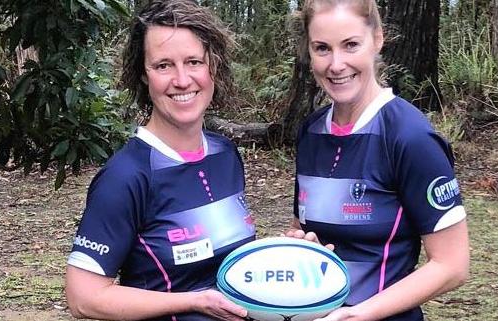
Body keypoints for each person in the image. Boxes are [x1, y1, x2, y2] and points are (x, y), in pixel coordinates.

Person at [65, 1, 255, 320]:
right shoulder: (126, 176)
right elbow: (83, 297)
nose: (182, 80)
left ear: (214, 67)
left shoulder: (226, 155)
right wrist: (193, 301)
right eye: (164, 65)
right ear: (143, 75)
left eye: (194, 61)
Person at [286, 1, 470, 320]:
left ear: (378, 39)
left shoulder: (410, 138)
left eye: (351, 45)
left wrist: (359, 315)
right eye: (322, 48)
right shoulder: (310, 132)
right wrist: (303, 245)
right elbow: (303, 228)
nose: (336, 64)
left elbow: (452, 265)